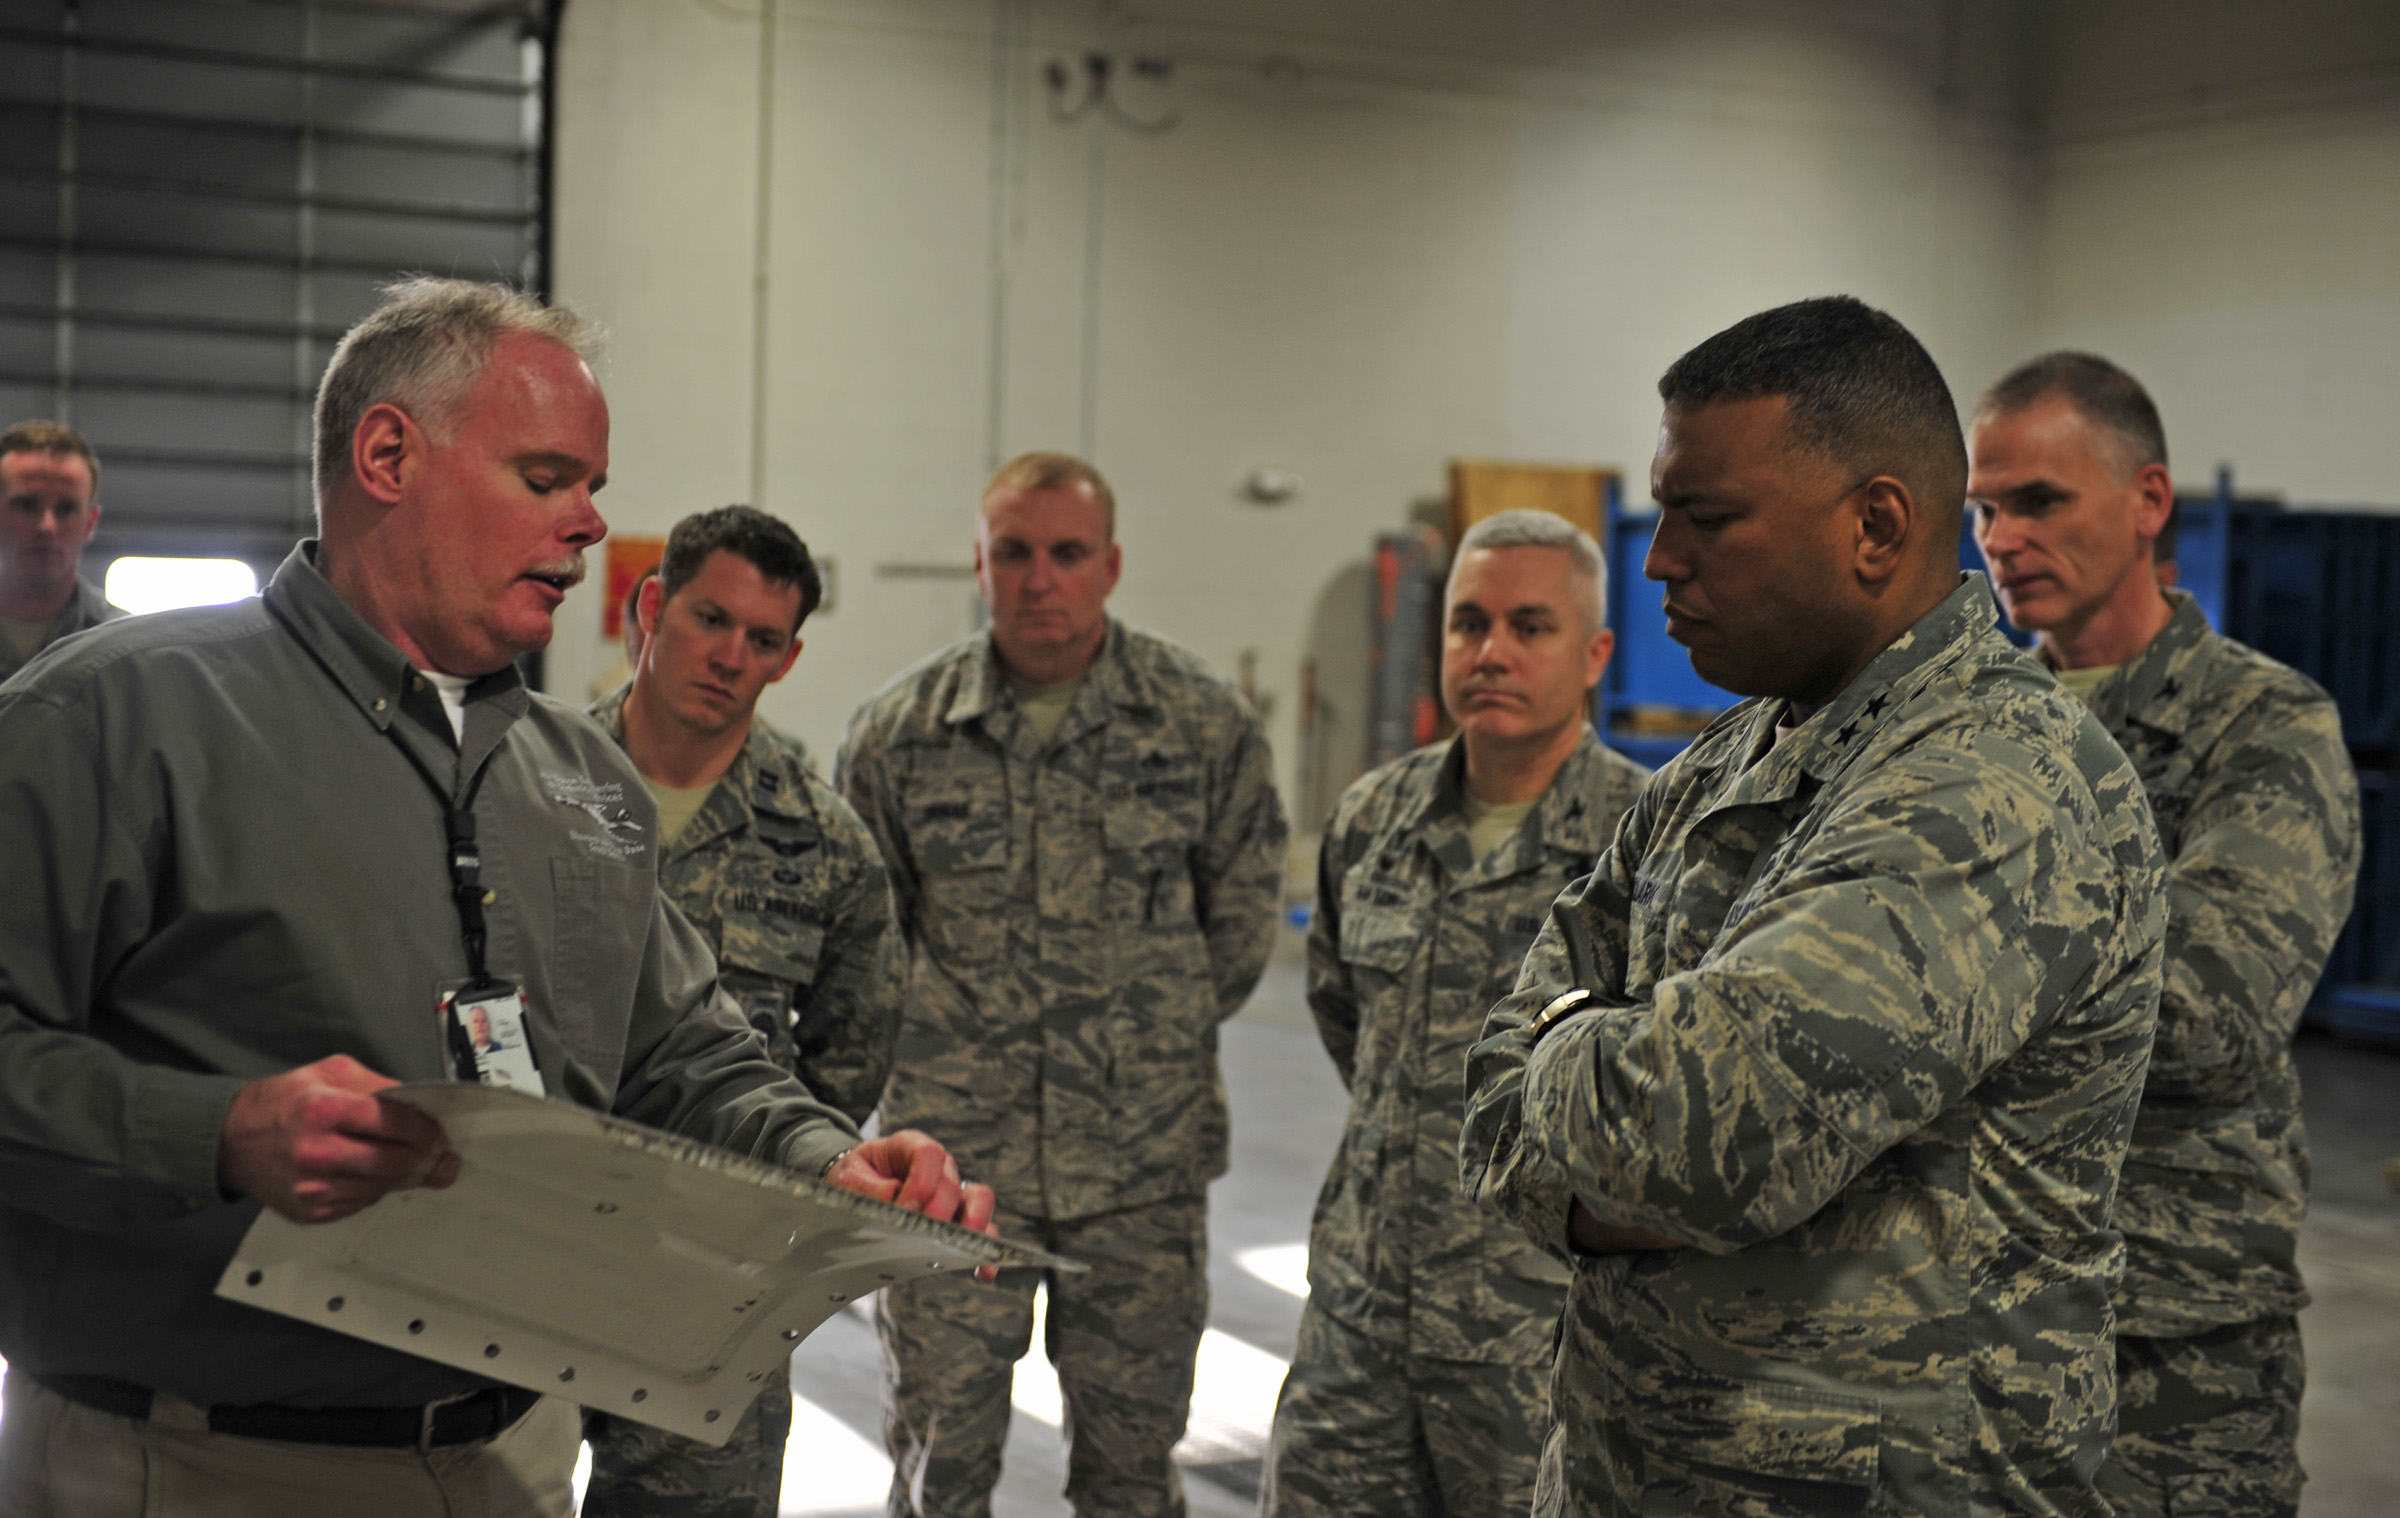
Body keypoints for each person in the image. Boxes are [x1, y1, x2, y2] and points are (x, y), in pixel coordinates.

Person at [0, 277, 991, 1518]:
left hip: (510, 1460)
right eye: (547, 478)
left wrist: (825, 1160)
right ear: (387, 456)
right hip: (194, 1466)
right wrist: (217, 1133)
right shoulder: (113, 718)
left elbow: (680, 1049)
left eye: (593, 487)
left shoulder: (580, 779)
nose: (590, 524)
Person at [1458, 296, 2168, 1517]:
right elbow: (1483, 1106)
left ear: (1877, 526)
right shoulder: (1721, 766)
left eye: (1707, 519)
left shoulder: (1996, 781)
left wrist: (1568, 1043)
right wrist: (1612, 1092)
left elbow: (1697, 1141)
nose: (1658, 560)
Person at [838, 450, 1288, 1517]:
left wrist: (1137, 1043)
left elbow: (1237, 929)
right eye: (1015, 553)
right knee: (937, 1468)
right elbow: (866, 947)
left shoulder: (1200, 724)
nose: (1041, 578)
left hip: (1140, 1178)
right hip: (953, 1175)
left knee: (1130, 1476)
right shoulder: (899, 737)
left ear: (1112, 564)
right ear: (979, 566)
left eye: (1068, 553)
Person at [1968, 352, 2362, 1518]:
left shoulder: (2263, 728)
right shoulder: (1980, 727)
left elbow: (2208, 1018)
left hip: (2174, 1346)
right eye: (1984, 510)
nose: (2000, 539)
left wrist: (1944, 976)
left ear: (2148, 502)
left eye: (2039, 501)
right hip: (1968, 1322)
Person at [1262, 509, 1648, 1518]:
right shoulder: (1373, 821)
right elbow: (1347, 1019)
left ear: (1596, 651)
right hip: (1359, 1319)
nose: (1492, 652)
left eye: (1530, 627)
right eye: (1469, 624)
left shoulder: (1651, 846)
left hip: (1540, 1341)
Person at [583, 505, 905, 1518]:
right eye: (709, 619)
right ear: (649, 609)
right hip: (526, 1236)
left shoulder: (825, 846)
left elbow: (846, 1066)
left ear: (790, 659)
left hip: (711, 1282)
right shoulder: (531, 783)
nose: (729, 656)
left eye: (762, 640)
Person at [0, 418, 123, 682]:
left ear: (89, 523)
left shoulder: (125, 646)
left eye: (66, 509)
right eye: (26, 505)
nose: (46, 526)